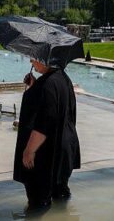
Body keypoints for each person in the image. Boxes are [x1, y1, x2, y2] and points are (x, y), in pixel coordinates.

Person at [14, 57, 81, 216]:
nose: (31, 62)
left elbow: (45, 123)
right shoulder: (63, 78)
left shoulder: (47, 84)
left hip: (46, 155)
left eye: (33, 59)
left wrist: (29, 150)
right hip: (64, 151)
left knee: (38, 204)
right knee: (60, 197)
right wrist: (35, 86)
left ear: (44, 59)